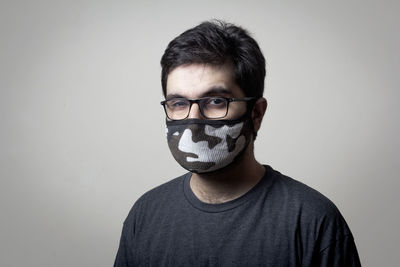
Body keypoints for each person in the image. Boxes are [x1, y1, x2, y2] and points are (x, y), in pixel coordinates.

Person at [114, 20, 361, 266]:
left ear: (256, 113)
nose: (193, 119)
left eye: (216, 101)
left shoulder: (312, 220)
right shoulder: (146, 215)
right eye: (178, 103)